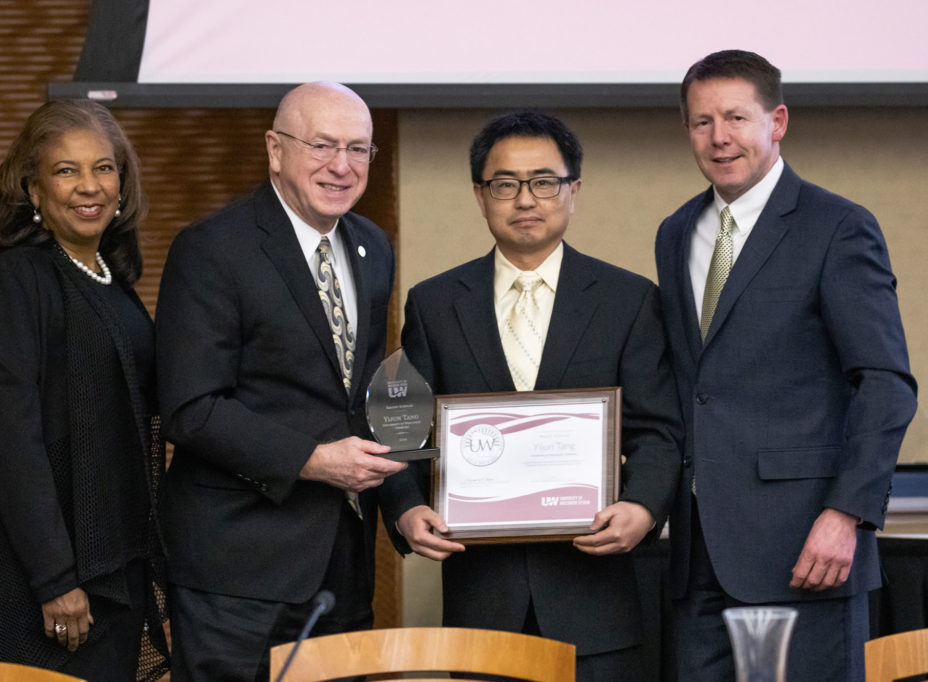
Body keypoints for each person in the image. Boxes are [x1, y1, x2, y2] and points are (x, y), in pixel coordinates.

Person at [379, 111, 682, 681]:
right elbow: (401, 429)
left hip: (597, 601)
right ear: (479, 194)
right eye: (505, 184)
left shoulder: (629, 300)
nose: (525, 199)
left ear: (573, 191)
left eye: (544, 182)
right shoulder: (435, 303)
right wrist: (406, 507)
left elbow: (657, 430)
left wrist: (642, 509)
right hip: (482, 601)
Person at [655, 49, 918, 681]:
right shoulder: (675, 232)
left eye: (737, 118)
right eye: (701, 122)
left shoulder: (838, 226)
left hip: (807, 550)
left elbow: (885, 383)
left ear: (777, 122)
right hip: (698, 559)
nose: (719, 138)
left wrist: (846, 513)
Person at [0, 99, 169, 681]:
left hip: (112, 564)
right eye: (66, 170)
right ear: (32, 189)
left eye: (104, 168)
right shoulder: (14, 283)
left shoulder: (112, 283)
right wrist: (56, 580)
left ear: (122, 182)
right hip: (37, 577)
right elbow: (11, 443)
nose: (89, 186)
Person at [154, 82, 405, 681]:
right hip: (237, 571)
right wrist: (313, 460)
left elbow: (360, 395)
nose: (341, 166)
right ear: (274, 149)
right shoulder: (212, 250)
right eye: (322, 145)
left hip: (341, 566)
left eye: (359, 149)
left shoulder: (372, 246)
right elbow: (191, 408)